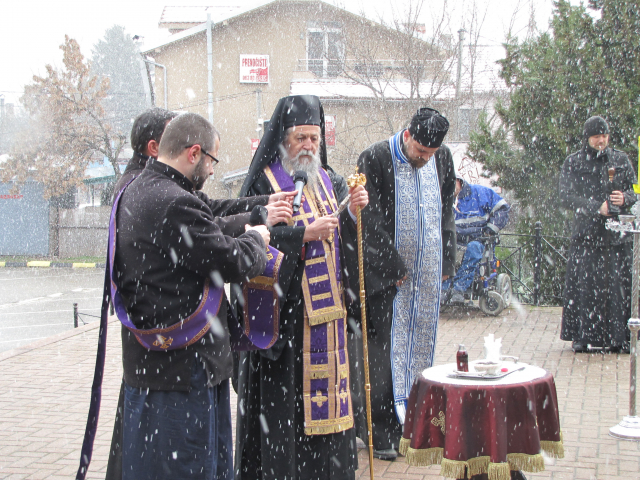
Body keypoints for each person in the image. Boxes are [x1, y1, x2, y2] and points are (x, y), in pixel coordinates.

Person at [105, 110, 295, 480]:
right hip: (186, 372)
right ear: (194, 153)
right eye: (212, 161)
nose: (212, 171)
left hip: (151, 367)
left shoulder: (138, 188)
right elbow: (232, 261)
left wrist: (256, 213)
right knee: (193, 468)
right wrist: (258, 239)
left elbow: (207, 224)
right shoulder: (175, 201)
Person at [234, 94, 369, 480]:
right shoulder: (265, 182)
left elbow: (345, 251)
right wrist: (301, 235)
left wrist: (354, 216)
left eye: (315, 137)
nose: (309, 145)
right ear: (282, 139)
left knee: (329, 433)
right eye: (300, 138)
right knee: (287, 425)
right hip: (289, 327)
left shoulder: (330, 180)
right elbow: (250, 250)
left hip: (329, 327)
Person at [347, 107, 456, 460]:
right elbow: (369, 217)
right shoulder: (375, 158)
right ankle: (379, 432)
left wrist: (447, 258)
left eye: (431, 154)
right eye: (420, 152)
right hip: (385, 281)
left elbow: (446, 208)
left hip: (425, 279)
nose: (425, 159)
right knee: (381, 357)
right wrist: (393, 267)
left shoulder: (442, 158)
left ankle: (417, 424)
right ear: (407, 135)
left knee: (417, 350)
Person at [560, 115, 636, 353]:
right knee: (585, 288)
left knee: (617, 289)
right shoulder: (574, 162)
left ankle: (619, 336)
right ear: (587, 138)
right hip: (587, 237)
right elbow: (565, 197)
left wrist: (625, 198)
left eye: (604, 136)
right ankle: (584, 335)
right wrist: (595, 207)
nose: (601, 141)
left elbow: (634, 193)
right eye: (596, 137)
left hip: (616, 238)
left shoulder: (621, 160)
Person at [442, 176, 510, 304]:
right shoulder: (446, 200)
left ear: (457, 181)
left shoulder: (480, 193)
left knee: (473, 249)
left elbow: (503, 209)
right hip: (456, 241)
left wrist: (490, 229)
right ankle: (444, 289)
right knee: (444, 250)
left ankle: (458, 289)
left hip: (479, 239)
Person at [113, 107, 177, 196]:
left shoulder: (133, 181)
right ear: (154, 147)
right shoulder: (151, 188)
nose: (181, 145)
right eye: (175, 139)